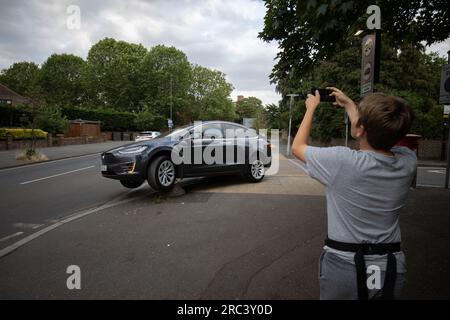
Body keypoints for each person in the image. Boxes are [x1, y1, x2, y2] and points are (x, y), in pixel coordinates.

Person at [291, 87, 416, 300]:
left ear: (360, 129)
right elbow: (380, 134)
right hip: (390, 265)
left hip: (344, 265)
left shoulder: (342, 162)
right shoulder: (407, 161)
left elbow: (298, 147)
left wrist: (311, 108)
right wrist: (350, 105)